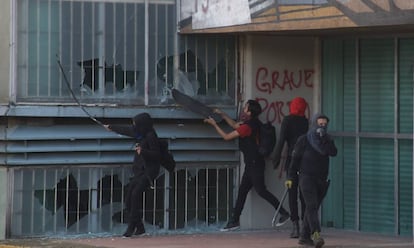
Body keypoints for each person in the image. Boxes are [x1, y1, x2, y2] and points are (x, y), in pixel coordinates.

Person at [204, 99, 290, 231]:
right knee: (243, 191)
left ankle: (283, 213)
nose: (243, 109)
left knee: (261, 190)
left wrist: (214, 124)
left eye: (245, 107)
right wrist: (222, 114)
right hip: (252, 164)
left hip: (255, 164)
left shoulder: (247, 127)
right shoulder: (252, 124)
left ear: (249, 112)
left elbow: (227, 137)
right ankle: (234, 221)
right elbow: (234, 125)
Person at [104, 113, 161, 237]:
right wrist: (112, 127)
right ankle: (140, 227)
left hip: (148, 172)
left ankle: (131, 228)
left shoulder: (151, 136)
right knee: (128, 199)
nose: (134, 126)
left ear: (142, 124)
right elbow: (127, 130)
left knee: (135, 196)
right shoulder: (141, 133)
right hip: (139, 171)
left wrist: (143, 151)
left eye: (136, 124)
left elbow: (157, 154)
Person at [285, 113, 337, 248]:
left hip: (321, 179)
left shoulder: (327, 139)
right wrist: (290, 177)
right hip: (306, 177)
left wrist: (325, 139)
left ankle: (304, 237)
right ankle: (316, 234)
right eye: (320, 124)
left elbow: (333, 152)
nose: (322, 127)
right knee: (312, 205)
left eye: (324, 124)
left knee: (311, 208)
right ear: (314, 124)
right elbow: (294, 159)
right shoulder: (303, 140)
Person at [272, 97, 309, 238]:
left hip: (292, 162)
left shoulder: (288, 120)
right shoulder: (305, 121)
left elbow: (281, 140)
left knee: (292, 194)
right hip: (304, 162)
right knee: (304, 195)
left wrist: (275, 160)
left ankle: (296, 227)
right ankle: (306, 226)